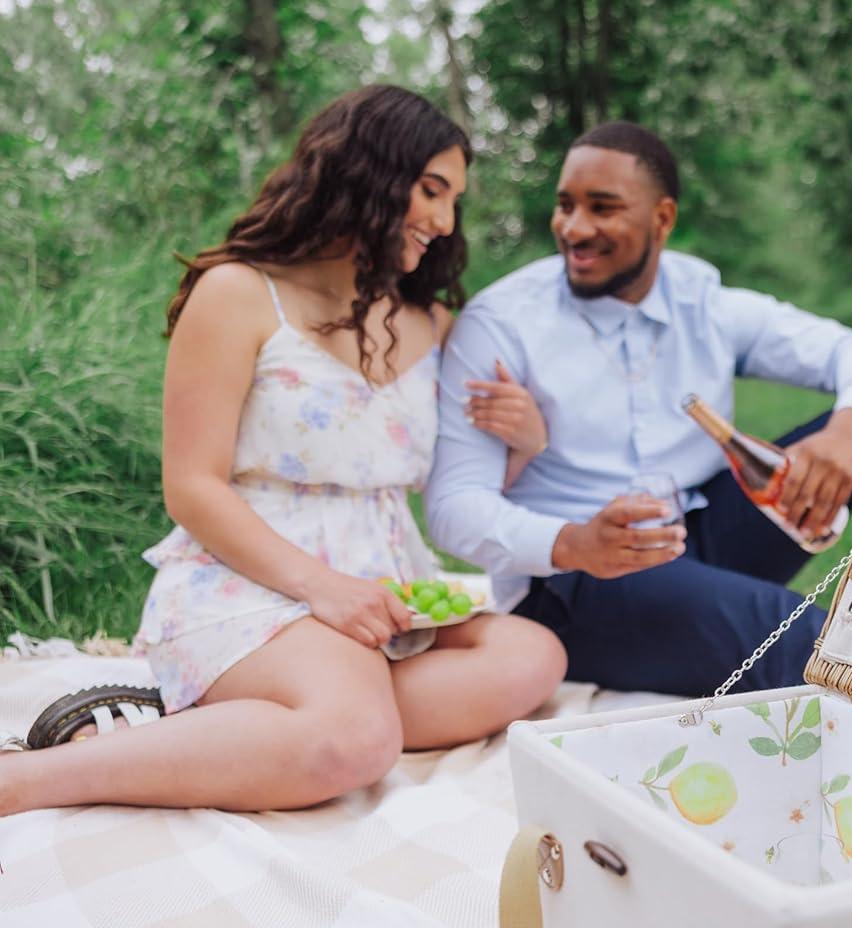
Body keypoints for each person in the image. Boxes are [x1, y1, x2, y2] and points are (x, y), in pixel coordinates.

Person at [0, 86, 565, 817]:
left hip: (385, 591)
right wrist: (320, 588)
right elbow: (192, 487)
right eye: (430, 190)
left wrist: (525, 445)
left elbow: (453, 487)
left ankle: (247, 723)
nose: (443, 220)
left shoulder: (432, 324)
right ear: (368, 171)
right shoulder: (237, 293)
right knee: (357, 742)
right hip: (251, 580)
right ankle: (30, 776)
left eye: (453, 199)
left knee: (534, 656)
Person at [427, 121, 852, 698]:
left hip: (694, 531)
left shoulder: (701, 302)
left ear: (662, 219)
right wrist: (575, 541)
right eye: (565, 206)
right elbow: (452, 507)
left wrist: (845, 435)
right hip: (575, 577)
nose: (574, 229)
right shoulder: (501, 324)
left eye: (602, 208)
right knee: (793, 633)